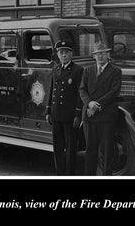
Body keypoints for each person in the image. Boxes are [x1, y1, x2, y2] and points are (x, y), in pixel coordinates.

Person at [79, 41, 122, 176]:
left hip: (106, 116)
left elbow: (114, 91)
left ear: (108, 55)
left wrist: (96, 105)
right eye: (98, 54)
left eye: (103, 53)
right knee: (90, 151)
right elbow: (82, 89)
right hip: (90, 116)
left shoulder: (115, 71)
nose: (100, 56)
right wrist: (89, 103)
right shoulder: (88, 70)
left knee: (106, 151)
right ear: (94, 56)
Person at [46, 40, 83, 175]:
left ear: (71, 54)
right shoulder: (56, 69)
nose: (63, 55)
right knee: (58, 147)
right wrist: (48, 110)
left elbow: (80, 94)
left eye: (66, 53)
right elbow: (52, 90)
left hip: (70, 116)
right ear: (58, 54)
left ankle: (69, 174)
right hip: (56, 115)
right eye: (61, 53)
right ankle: (60, 174)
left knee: (71, 148)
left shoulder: (78, 70)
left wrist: (78, 115)